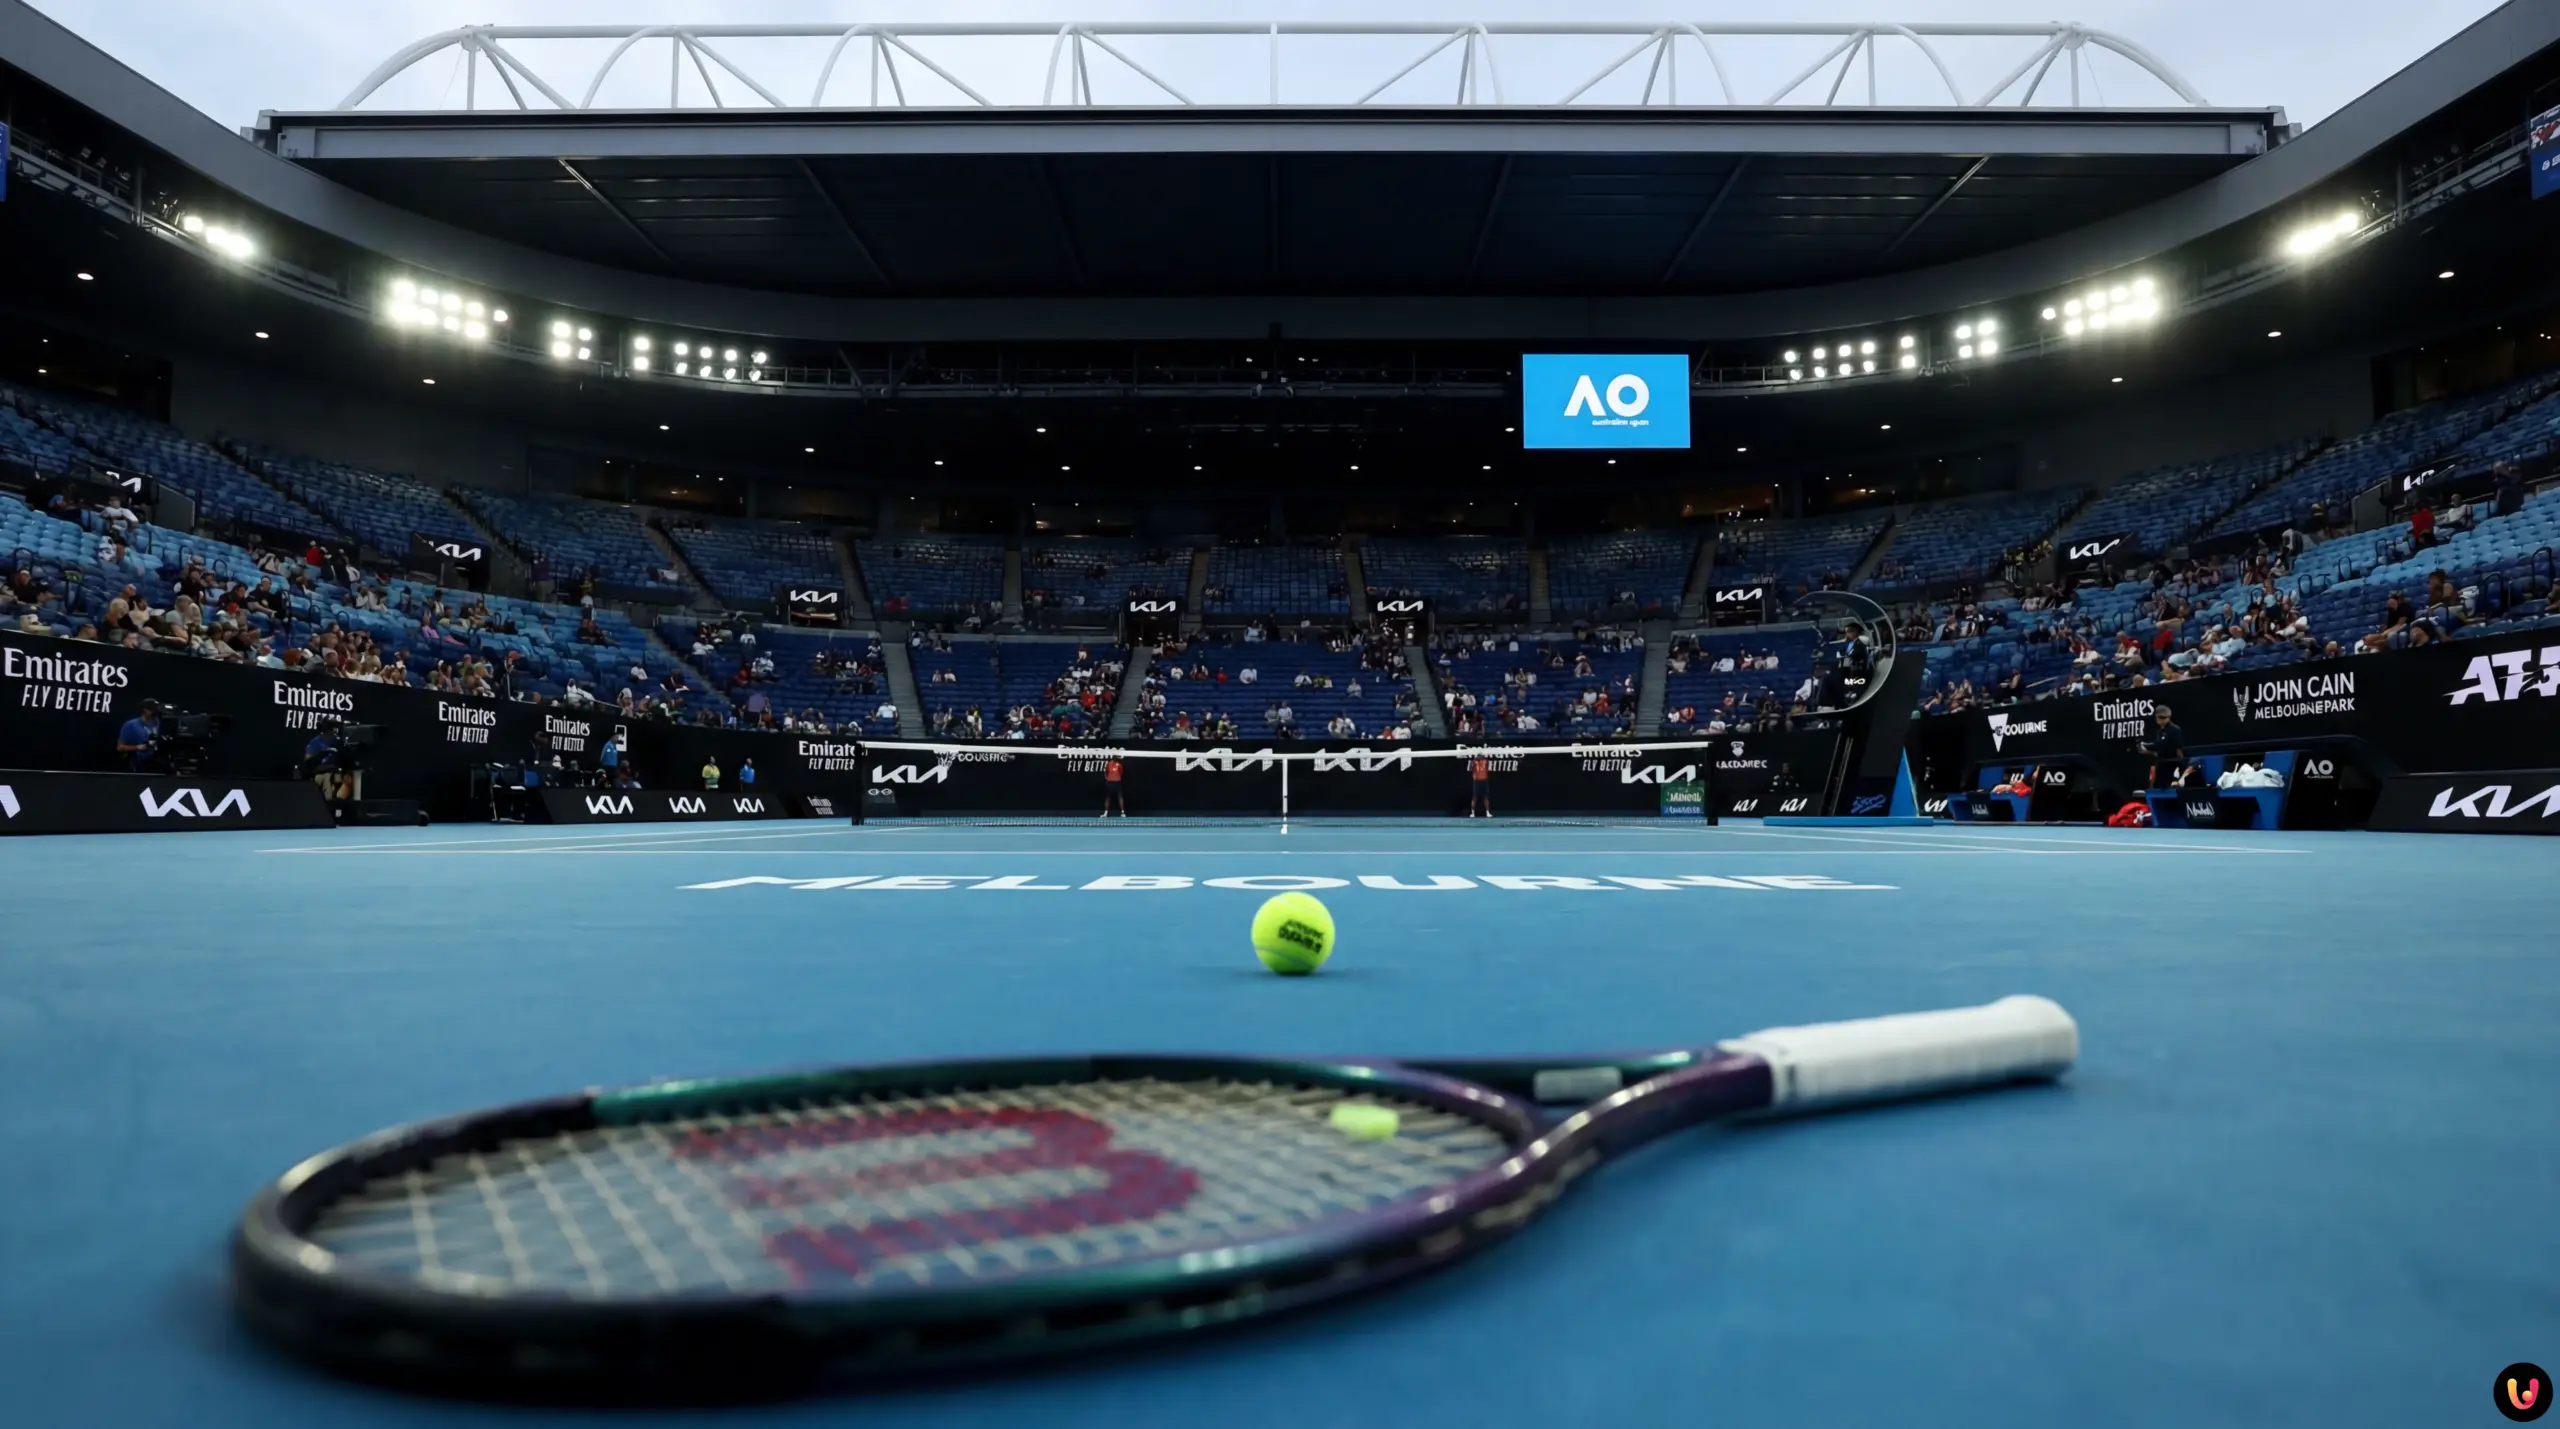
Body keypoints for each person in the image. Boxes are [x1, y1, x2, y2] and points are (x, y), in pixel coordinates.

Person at [2136, 703, 2186, 791]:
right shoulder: (2159, 732)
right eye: (2159, 717)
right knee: (2160, 787)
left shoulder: (2175, 730)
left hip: (2172, 764)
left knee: (2171, 788)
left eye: (2164, 717)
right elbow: (2157, 748)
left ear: (2169, 717)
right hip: (2161, 765)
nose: (2161, 720)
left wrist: (2180, 765)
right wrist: (2146, 748)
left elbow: (2177, 749)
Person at [116, 700, 164, 772]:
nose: (155, 712)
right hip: (139, 763)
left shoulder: (160, 723)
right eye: (153, 710)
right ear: (145, 710)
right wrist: (137, 747)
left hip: (157, 762)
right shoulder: (131, 725)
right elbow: (120, 747)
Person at [1467, 749, 1492, 818]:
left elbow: (1487, 769)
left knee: (1486, 797)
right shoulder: (1474, 761)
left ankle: (1487, 812)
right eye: (1479, 756)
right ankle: (1472, 813)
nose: (1480, 757)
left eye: (1481, 756)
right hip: (1476, 781)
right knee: (1474, 797)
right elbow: (1471, 769)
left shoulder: (1486, 761)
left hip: (1484, 780)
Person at [1101, 754, 1127, 818]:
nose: (1115, 758)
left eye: (1116, 757)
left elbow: (1121, 773)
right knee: (1108, 798)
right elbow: (1105, 772)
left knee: (1120, 797)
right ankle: (1105, 813)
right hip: (1110, 783)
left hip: (1117, 782)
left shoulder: (1119, 765)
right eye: (1114, 757)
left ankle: (1122, 812)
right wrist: (1107, 778)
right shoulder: (1109, 764)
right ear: (1112, 757)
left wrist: (1116, 778)